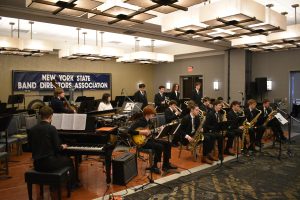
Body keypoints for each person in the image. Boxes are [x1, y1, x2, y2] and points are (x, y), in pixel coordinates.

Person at [28, 106, 79, 189]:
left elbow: (30, 147)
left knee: (59, 158)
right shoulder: (51, 128)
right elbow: (57, 148)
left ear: (41, 116)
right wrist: (63, 146)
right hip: (49, 164)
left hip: (37, 164)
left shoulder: (32, 129)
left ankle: (54, 184)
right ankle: (72, 185)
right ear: (51, 116)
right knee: (69, 161)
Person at [129, 105, 177, 174]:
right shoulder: (140, 121)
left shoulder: (149, 121)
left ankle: (166, 164)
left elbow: (150, 132)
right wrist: (142, 132)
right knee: (159, 146)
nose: (153, 115)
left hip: (148, 139)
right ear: (147, 114)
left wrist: (158, 130)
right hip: (142, 142)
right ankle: (154, 166)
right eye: (152, 114)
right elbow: (129, 131)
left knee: (168, 143)